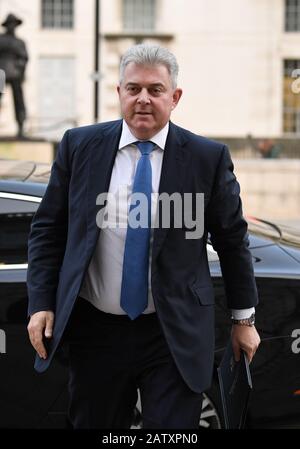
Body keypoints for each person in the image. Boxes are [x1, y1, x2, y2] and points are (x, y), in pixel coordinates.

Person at [27, 44, 260, 429]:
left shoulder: (206, 157)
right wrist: (41, 302)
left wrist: (244, 319)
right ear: (119, 93)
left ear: (175, 97)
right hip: (95, 330)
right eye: (133, 89)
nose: (143, 99)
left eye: (155, 90)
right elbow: (48, 229)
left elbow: (233, 240)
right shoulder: (79, 146)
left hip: (172, 332)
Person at [0, 13, 28, 138]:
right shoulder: (1, 39)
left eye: (13, 24)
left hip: (15, 74)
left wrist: (21, 69)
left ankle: (21, 126)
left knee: (19, 101)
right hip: (1, 73)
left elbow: (24, 57)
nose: (12, 26)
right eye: (10, 24)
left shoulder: (19, 42)